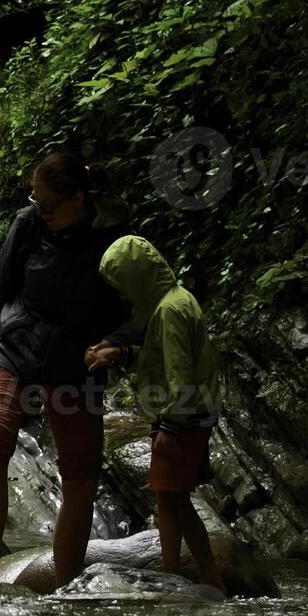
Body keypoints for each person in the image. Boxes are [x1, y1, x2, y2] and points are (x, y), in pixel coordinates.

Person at [0, 151, 134, 585]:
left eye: (50, 205)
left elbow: (133, 307)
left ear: (79, 198)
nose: (41, 212)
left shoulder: (115, 235)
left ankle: (65, 581)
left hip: (76, 361)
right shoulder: (28, 224)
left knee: (80, 475)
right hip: (14, 345)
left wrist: (116, 343)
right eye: (35, 201)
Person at [87, 235, 227, 593]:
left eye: (124, 286)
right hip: (189, 417)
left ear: (139, 278)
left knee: (169, 498)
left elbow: (181, 376)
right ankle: (196, 573)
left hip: (180, 420)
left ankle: (183, 573)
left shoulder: (168, 312)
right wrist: (118, 356)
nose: (122, 295)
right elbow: (161, 361)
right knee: (174, 498)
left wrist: (169, 426)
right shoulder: (175, 301)